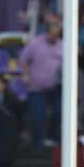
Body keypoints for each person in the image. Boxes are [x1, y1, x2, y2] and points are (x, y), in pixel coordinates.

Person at [19, 17, 64, 150]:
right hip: (37, 89)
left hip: (56, 87)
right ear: (47, 32)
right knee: (37, 117)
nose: (55, 37)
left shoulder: (63, 45)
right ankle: (36, 145)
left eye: (57, 34)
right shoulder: (35, 44)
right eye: (52, 34)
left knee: (61, 112)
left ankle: (50, 137)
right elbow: (22, 59)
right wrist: (25, 74)